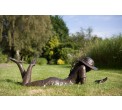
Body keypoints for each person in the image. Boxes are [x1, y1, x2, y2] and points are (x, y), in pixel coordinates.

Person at [9, 57, 98, 87]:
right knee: (25, 85)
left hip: (56, 81)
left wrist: (96, 82)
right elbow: (83, 85)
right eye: (90, 67)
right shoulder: (82, 68)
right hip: (55, 82)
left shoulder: (78, 66)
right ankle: (31, 65)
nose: (90, 69)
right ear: (87, 66)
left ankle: (19, 64)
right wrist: (97, 83)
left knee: (27, 83)